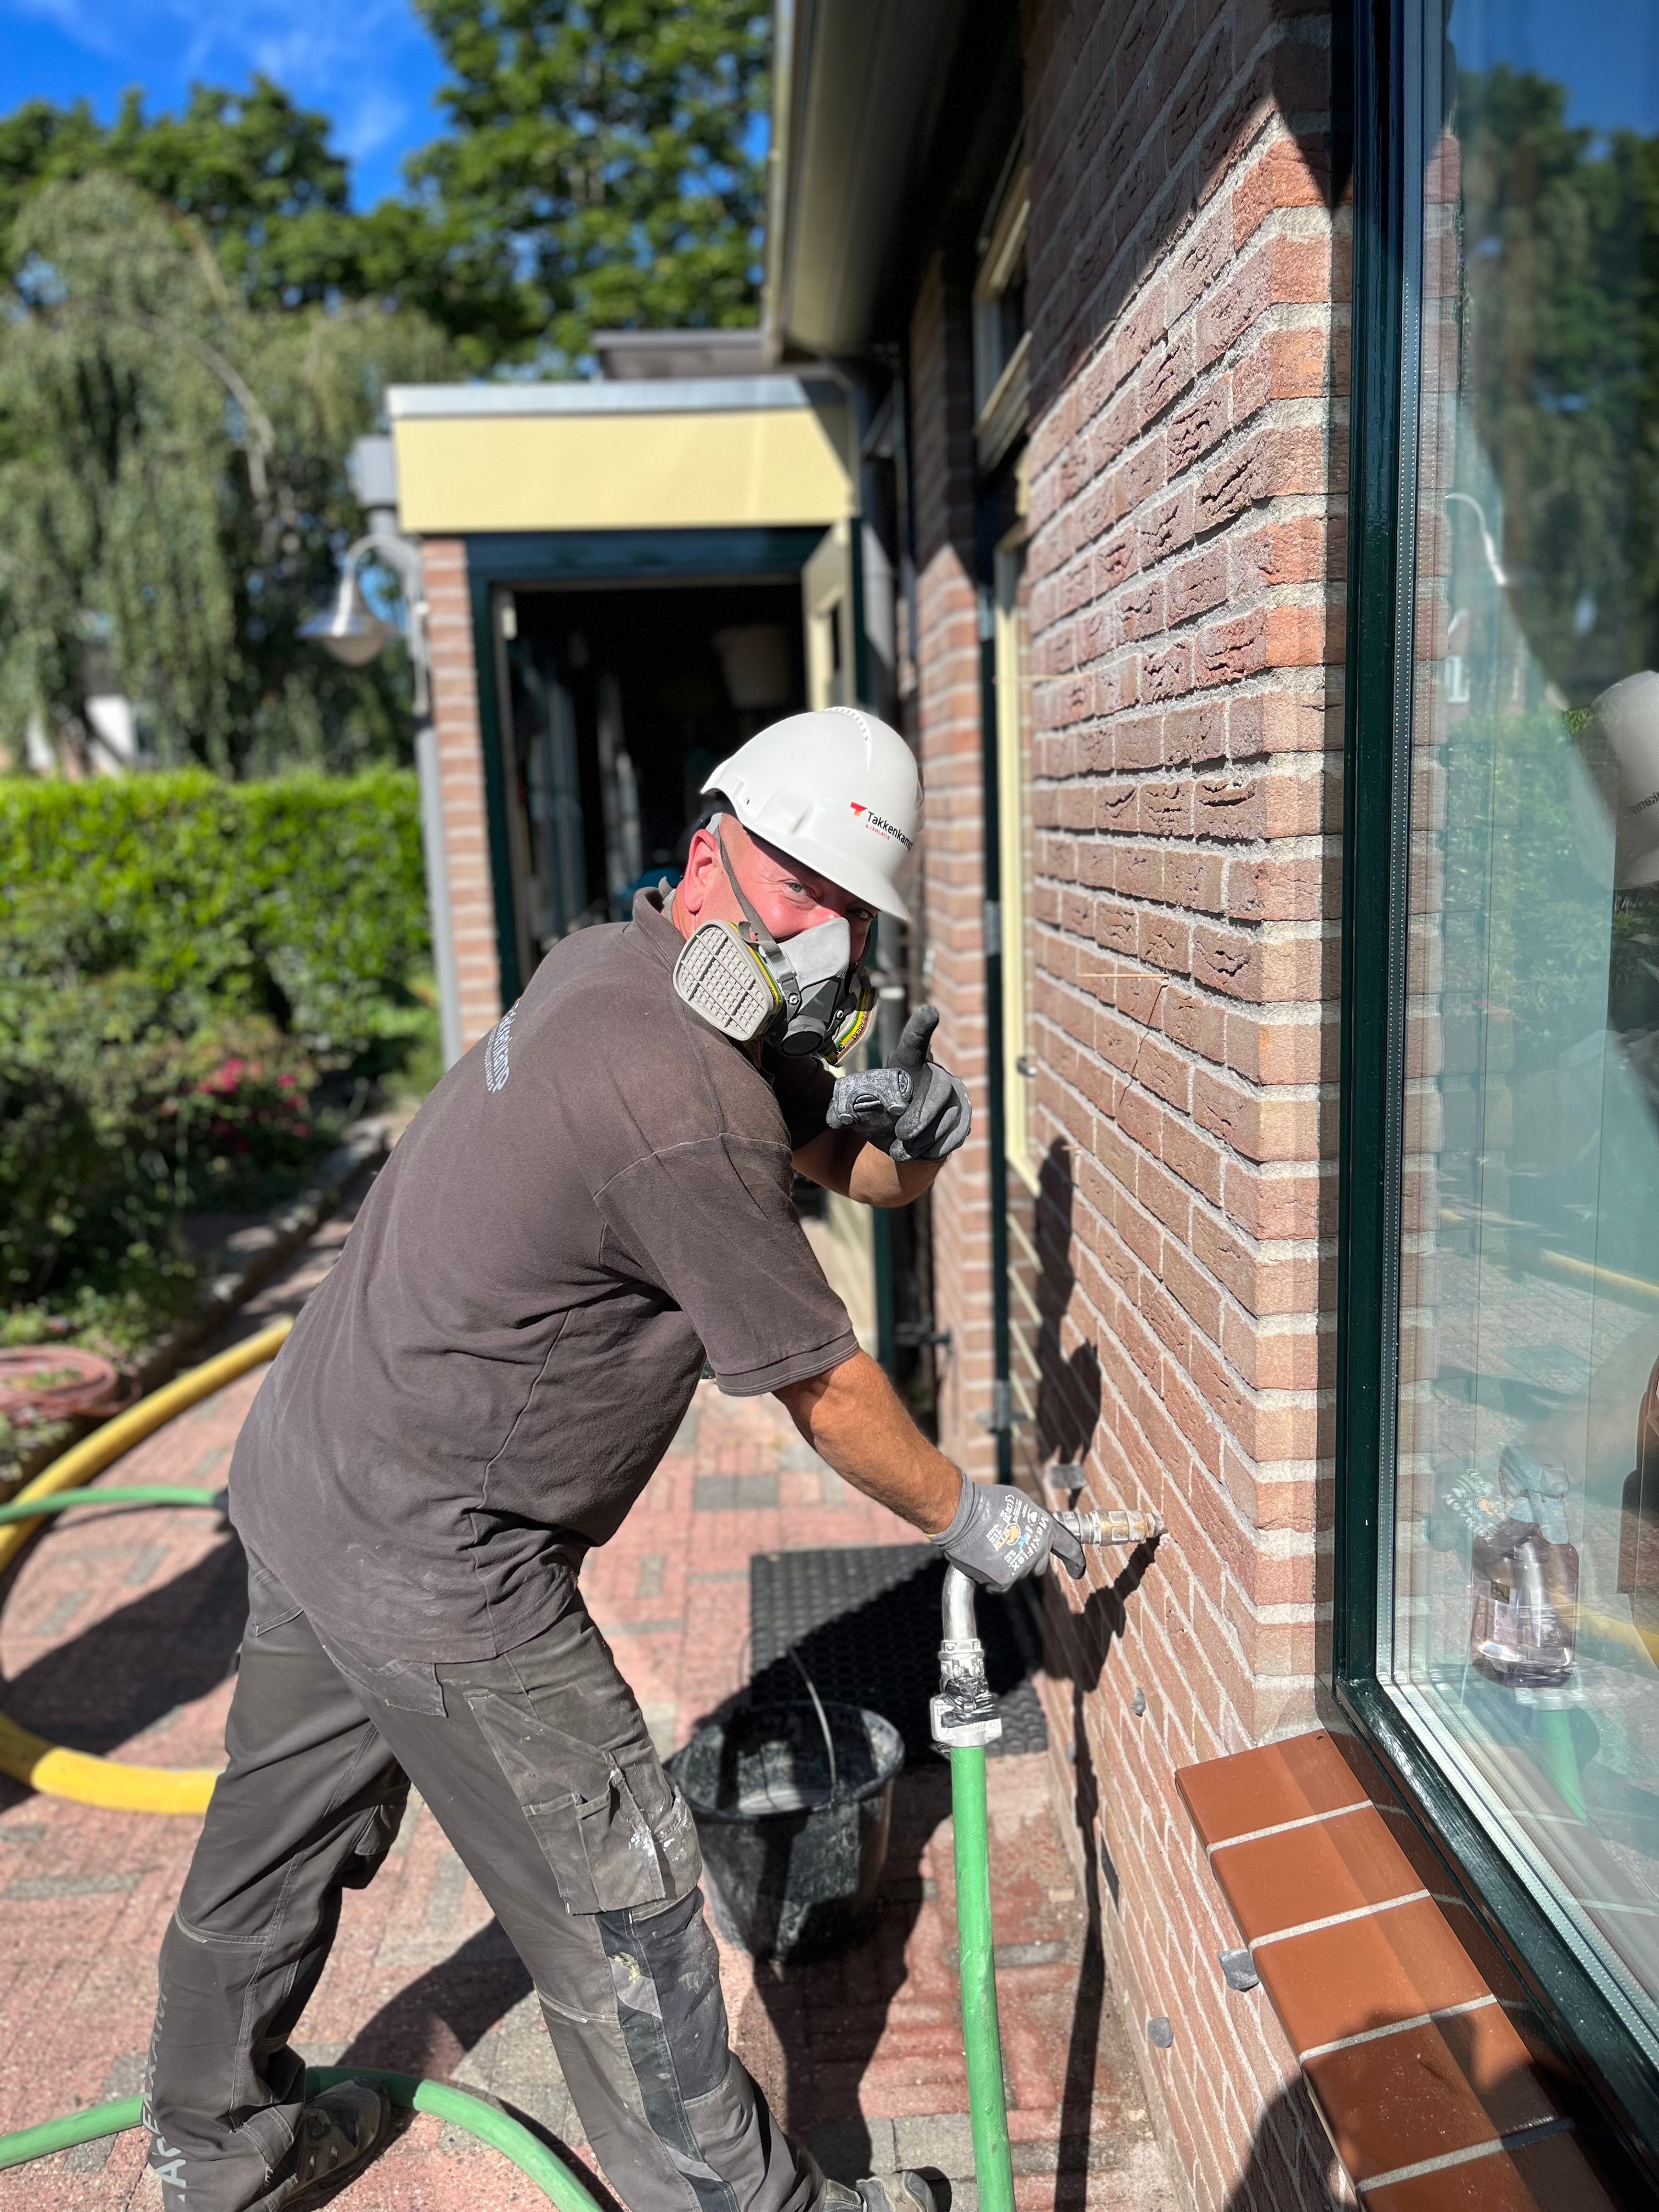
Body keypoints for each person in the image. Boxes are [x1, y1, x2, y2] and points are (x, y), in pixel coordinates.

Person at [143, 706, 1085, 2212]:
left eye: (853, 909)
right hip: (450, 1564)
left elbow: (830, 1151)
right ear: (710, 851)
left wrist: (904, 1142)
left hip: (315, 1476)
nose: (827, 938)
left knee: (274, 1837)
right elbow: (827, 1389)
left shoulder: (612, 965)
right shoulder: (678, 1100)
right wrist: (968, 1513)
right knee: (625, 1904)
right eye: (801, 888)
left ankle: (212, 2151)